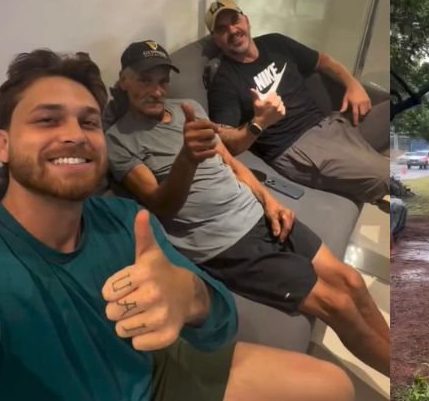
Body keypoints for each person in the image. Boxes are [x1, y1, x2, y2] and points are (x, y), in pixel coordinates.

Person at [0, 49, 354, 401]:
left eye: (88, 122)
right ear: (3, 144)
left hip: (156, 384)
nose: (73, 136)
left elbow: (220, 321)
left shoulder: (121, 220)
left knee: (330, 392)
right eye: (47, 121)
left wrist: (190, 294)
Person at [106, 41, 390, 376]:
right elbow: (161, 204)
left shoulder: (189, 106)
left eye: (161, 80)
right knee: (337, 303)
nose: (155, 90)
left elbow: (232, 164)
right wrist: (187, 157)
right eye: (144, 80)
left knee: (352, 281)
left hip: (256, 211)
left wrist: (270, 202)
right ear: (123, 80)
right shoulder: (119, 139)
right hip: (223, 243)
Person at [204, 0, 389, 204]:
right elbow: (224, 140)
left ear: (246, 20)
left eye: (235, 20)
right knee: (387, 176)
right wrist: (259, 123)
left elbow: (322, 61)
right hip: (298, 147)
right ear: (216, 39)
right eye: (222, 29)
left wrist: (353, 84)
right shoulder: (224, 81)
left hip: (330, 124)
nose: (232, 30)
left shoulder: (275, 43)